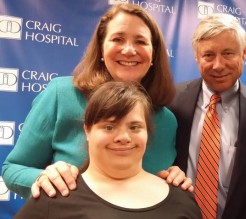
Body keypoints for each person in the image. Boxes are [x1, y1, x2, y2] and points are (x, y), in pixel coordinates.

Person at [2, 3, 192, 200]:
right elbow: (13, 169)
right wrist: (43, 178)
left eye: (141, 42)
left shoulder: (167, 121)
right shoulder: (61, 95)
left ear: (153, 54)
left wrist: (172, 178)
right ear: (101, 49)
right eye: (118, 39)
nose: (128, 50)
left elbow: (155, 180)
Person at [14, 81, 202, 219]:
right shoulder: (55, 196)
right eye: (109, 127)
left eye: (135, 127)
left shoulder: (180, 198)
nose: (123, 137)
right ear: (87, 130)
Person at [168, 13, 246, 219]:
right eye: (208, 55)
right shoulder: (171, 101)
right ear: (197, 57)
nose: (218, 65)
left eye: (228, 54)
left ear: (244, 54)